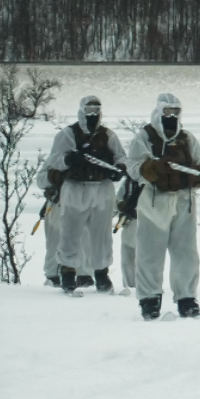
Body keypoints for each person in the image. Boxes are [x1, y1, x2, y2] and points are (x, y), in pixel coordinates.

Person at [126, 93, 200, 320]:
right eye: (167, 112)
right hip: (154, 200)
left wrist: (198, 177)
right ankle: (149, 300)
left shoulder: (187, 139)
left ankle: (187, 298)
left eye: (175, 112)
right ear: (159, 112)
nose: (171, 116)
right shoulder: (144, 137)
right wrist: (152, 168)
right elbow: (132, 167)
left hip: (183, 201)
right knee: (150, 252)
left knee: (186, 252)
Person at [42, 95, 127, 295]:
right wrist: (69, 159)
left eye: (96, 110)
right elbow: (54, 160)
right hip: (74, 187)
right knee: (70, 232)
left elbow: (121, 156)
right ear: (81, 110)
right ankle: (68, 273)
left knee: (101, 234)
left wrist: (119, 168)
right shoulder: (67, 134)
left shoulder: (108, 135)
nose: (93, 114)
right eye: (89, 110)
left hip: (102, 188)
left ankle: (101, 274)